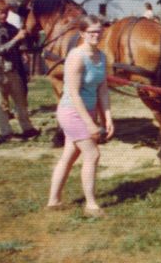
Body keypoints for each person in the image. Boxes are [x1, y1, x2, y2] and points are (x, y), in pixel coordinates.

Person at [47, 15, 115, 217]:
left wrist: (107, 118)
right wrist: (90, 124)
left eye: (98, 31)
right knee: (92, 154)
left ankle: (53, 200)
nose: (96, 35)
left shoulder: (101, 56)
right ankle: (91, 205)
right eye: (91, 32)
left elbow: (102, 89)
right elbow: (74, 94)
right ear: (82, 34)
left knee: (69, 155)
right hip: (72, 112)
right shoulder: (76, 56)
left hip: (88, 110)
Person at [0, 0, 39, 142]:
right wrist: (17, 38)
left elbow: (19, 43)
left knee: (20, 100)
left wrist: (23, 49)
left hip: (12, 69)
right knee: (2, 102)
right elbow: (1, 49)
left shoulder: (10, 27)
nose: (4, 16)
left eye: (6, 13)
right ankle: (6, 133)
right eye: (1, 13)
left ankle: (27, 128)